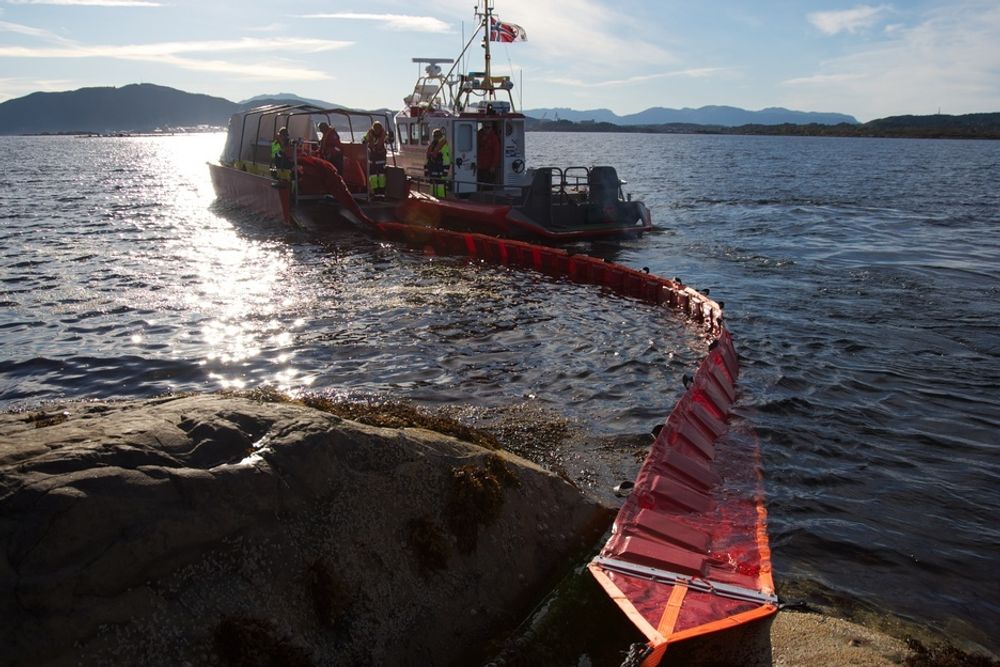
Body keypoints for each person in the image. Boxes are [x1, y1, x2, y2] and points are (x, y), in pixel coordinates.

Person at [362, 121, 388, 195]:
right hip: (372, 158)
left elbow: (388, 140)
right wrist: (365, 141)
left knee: (381, 175)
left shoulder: (384, 134)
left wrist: (390, 138)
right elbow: (363, 140)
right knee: (373, 175)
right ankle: (375, 191)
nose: (377, 130)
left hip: (380, 158)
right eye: (375, 128)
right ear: (373, 128)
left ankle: (381, 191)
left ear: (380, 129)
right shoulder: (369, 133)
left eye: (378, 128)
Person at [425, 127, 451, 198]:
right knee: (432, 186)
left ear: (439, 136)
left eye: (436, 136)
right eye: (434, 136)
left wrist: (445, 172)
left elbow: (446, 160)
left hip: (440, 171)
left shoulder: (443, 146)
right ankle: (433, 198)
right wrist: (427, 170)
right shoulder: (433, 145)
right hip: (433, 171)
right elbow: (428, 159)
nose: (434, 138)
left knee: (440, 187)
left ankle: (442, 199)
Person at [476, 122, 500, 190]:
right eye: (485, 127)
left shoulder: (494, 138)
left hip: (489, 167)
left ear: (491, 128)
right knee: (479, 182)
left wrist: (493, 166)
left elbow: (496, 153)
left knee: (488, 184)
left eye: (488, 127)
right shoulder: (479, 135)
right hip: (480, 165)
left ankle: (488, 196)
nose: (486, 129)